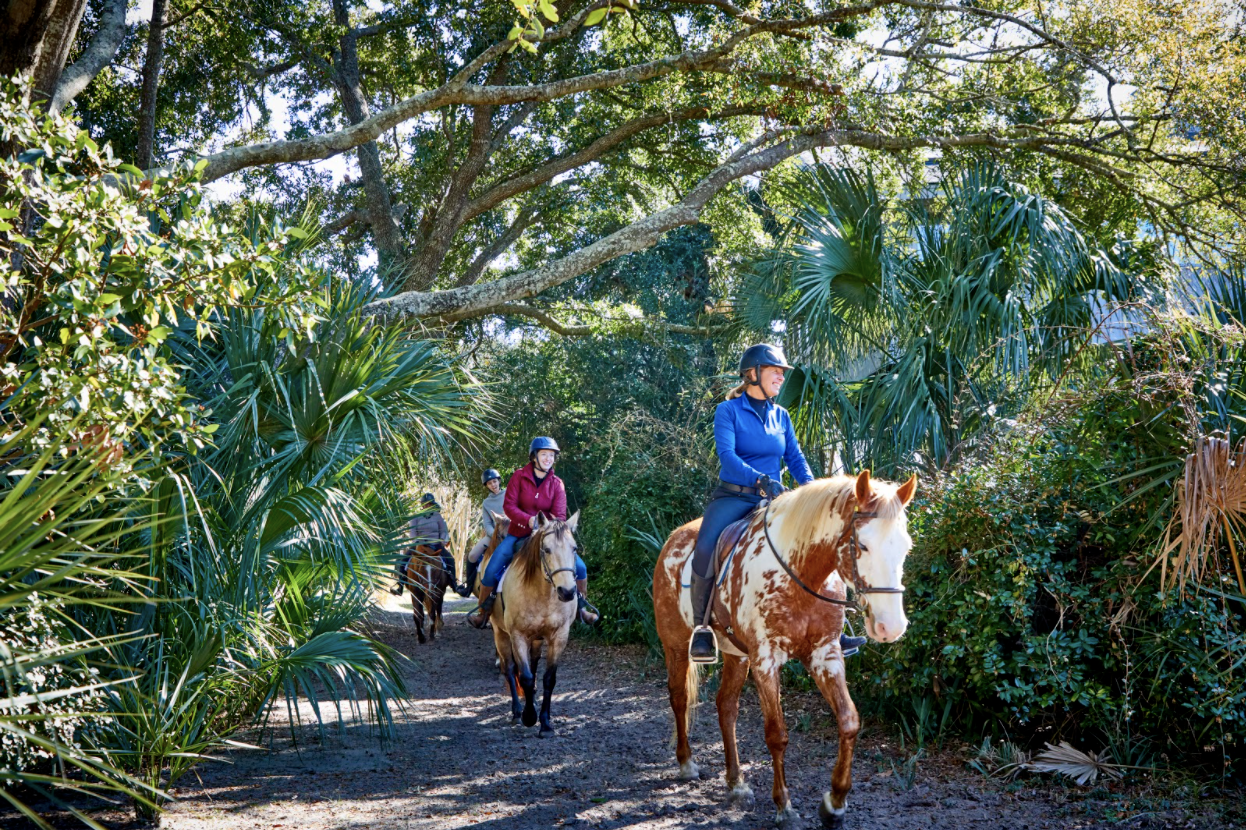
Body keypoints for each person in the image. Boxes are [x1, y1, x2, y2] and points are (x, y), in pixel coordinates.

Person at [688, 344, 868, 662]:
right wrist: (759, 478)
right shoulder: (727, 411)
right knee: (705, 547)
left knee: (822, 541)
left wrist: (815, 494)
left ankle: (836, 628)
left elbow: (795, 458)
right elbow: (727, 457)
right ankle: (701, 629)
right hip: (735, 496)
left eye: (783, 373)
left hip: (775, 501)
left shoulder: (781, 416)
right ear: (753, 373)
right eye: (776, 371)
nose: (781, 378)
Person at [467, 437, 598, 628]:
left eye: (551, 455)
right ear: (534, 457)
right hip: (519, 533)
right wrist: (528, 520)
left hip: (548, 536)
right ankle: (484, 611)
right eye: (544, 454)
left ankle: (581, 608)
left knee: (581, 568)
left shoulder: (557, 483)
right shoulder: (519, 476)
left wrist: (545, 526)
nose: (548, 458)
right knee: (492, 567)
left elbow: (560, 514)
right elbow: (509, 506)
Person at [393, 493, 462, 596]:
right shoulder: (415, 517)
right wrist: (417, 542)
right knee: (403, 560)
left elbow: (443, 531)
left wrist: (442, 541)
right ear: (422, 505)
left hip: (435, 544)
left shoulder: (437, 516)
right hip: (419, 545)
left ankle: (454, 584)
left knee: (450, 559)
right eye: (425, 504)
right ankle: (400, 585)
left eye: (429, 504)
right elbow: (412, 532)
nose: (427, 506)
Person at [456, 468, 506, 597]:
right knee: (472, 555)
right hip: (494, 535)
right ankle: (469, 587)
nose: (493, 485)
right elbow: (487, 523)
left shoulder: (509, 494)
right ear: (486, 486)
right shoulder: (486, 503)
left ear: (499, 481)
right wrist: (494, 534)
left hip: (511, 533)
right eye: (489, 483)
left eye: (494, 481)